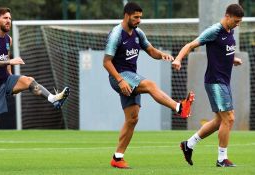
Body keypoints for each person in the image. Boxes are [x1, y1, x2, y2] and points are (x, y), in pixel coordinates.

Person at [0, 7, 70, 170]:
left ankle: (53, 99)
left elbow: (7, 61)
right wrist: (10, 63)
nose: (8, 21)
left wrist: (11, 82)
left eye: (10, 18)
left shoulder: (8, 39)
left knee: (28, 80)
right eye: (5, 18)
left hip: (5, 81)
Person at [103, 2, 195, 169]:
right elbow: (106, 62)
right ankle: (179, 108)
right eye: (136, 17)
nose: (139, 20)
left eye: (140, 17)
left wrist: (163, 55)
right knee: (151, 85)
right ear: (126, 15)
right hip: (120, 77)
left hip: (131, 78)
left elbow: (151, 51)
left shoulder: (138, 33)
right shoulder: (116, 34)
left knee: (132, 119)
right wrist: (120, 80)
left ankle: (117, 158)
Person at [172, 4, 244, 167]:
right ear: (227, 16)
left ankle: (188, 144)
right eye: (236, 21)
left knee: (220, 120)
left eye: (240, 21)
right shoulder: (214, 31)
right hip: (215, 81)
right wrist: (178, 59)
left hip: (224, 81)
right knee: (229, 118)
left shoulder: (229, 31)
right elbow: (190, 45)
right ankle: (221, 159)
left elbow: (221, 51)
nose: (238, 24)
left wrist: (233, 60)